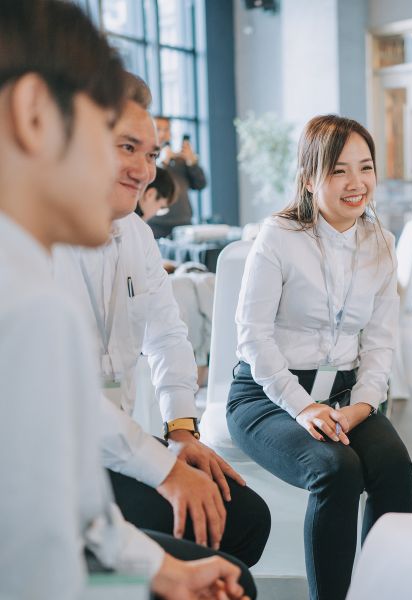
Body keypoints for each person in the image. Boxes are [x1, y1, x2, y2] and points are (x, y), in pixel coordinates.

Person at [0, 2, 249, 598]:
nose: (139, 174)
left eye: (150, 153)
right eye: (108, 136)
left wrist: (159, 570)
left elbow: (69, 504)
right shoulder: (27, 304)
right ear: (35, 114)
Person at [53, 73, 270, 568]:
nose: (145, 170)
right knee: (217, 552)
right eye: (127, 147)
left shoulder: (135, 234)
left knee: (246, 519)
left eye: (151, 154)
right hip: (48, 463)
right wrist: (165, 473)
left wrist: (181, 431)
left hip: (113, 441)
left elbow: (168, 334)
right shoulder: (33, 241)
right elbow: (61, 399)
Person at [227, 114, 412, 600]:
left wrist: (364, 405)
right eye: (339, 170)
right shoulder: (279, 237)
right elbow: (252, 336)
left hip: (344, 394)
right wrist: (302, 406)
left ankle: (381, 590)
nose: (357, 184)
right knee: (337, 469)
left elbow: (379, 342)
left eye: (365, 168)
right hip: (267, 396)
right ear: (310, 179)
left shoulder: (381, 243)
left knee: (395, 467)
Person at [147, 116, 207, 238]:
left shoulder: (180, 160)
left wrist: (192, 163)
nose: (163, 133)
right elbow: (148, 185)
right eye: (158, 129)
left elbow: (200, 184)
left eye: (167, 129)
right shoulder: (146, 158)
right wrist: (162, 163)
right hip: (157, 225)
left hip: (184, 223)